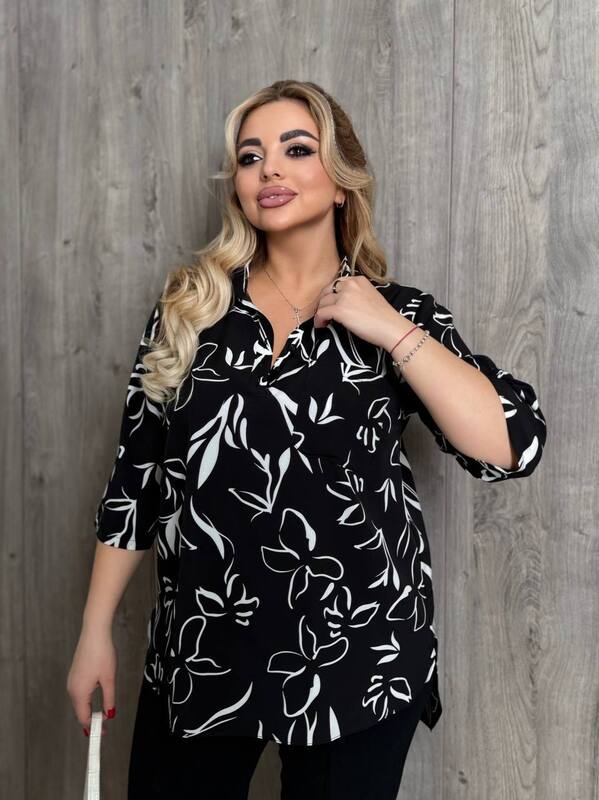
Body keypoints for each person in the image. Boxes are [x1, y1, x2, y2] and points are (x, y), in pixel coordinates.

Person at [66, 80, 547, 799]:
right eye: (250, 156)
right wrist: (94, 631)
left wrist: (389, 328)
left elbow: (511, 446)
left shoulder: (396, 312)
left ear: (342, 181)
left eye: (296, 149)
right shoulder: (192, 308)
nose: (269, 168)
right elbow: (137, 482)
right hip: (205, 651)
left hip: (358, 659)